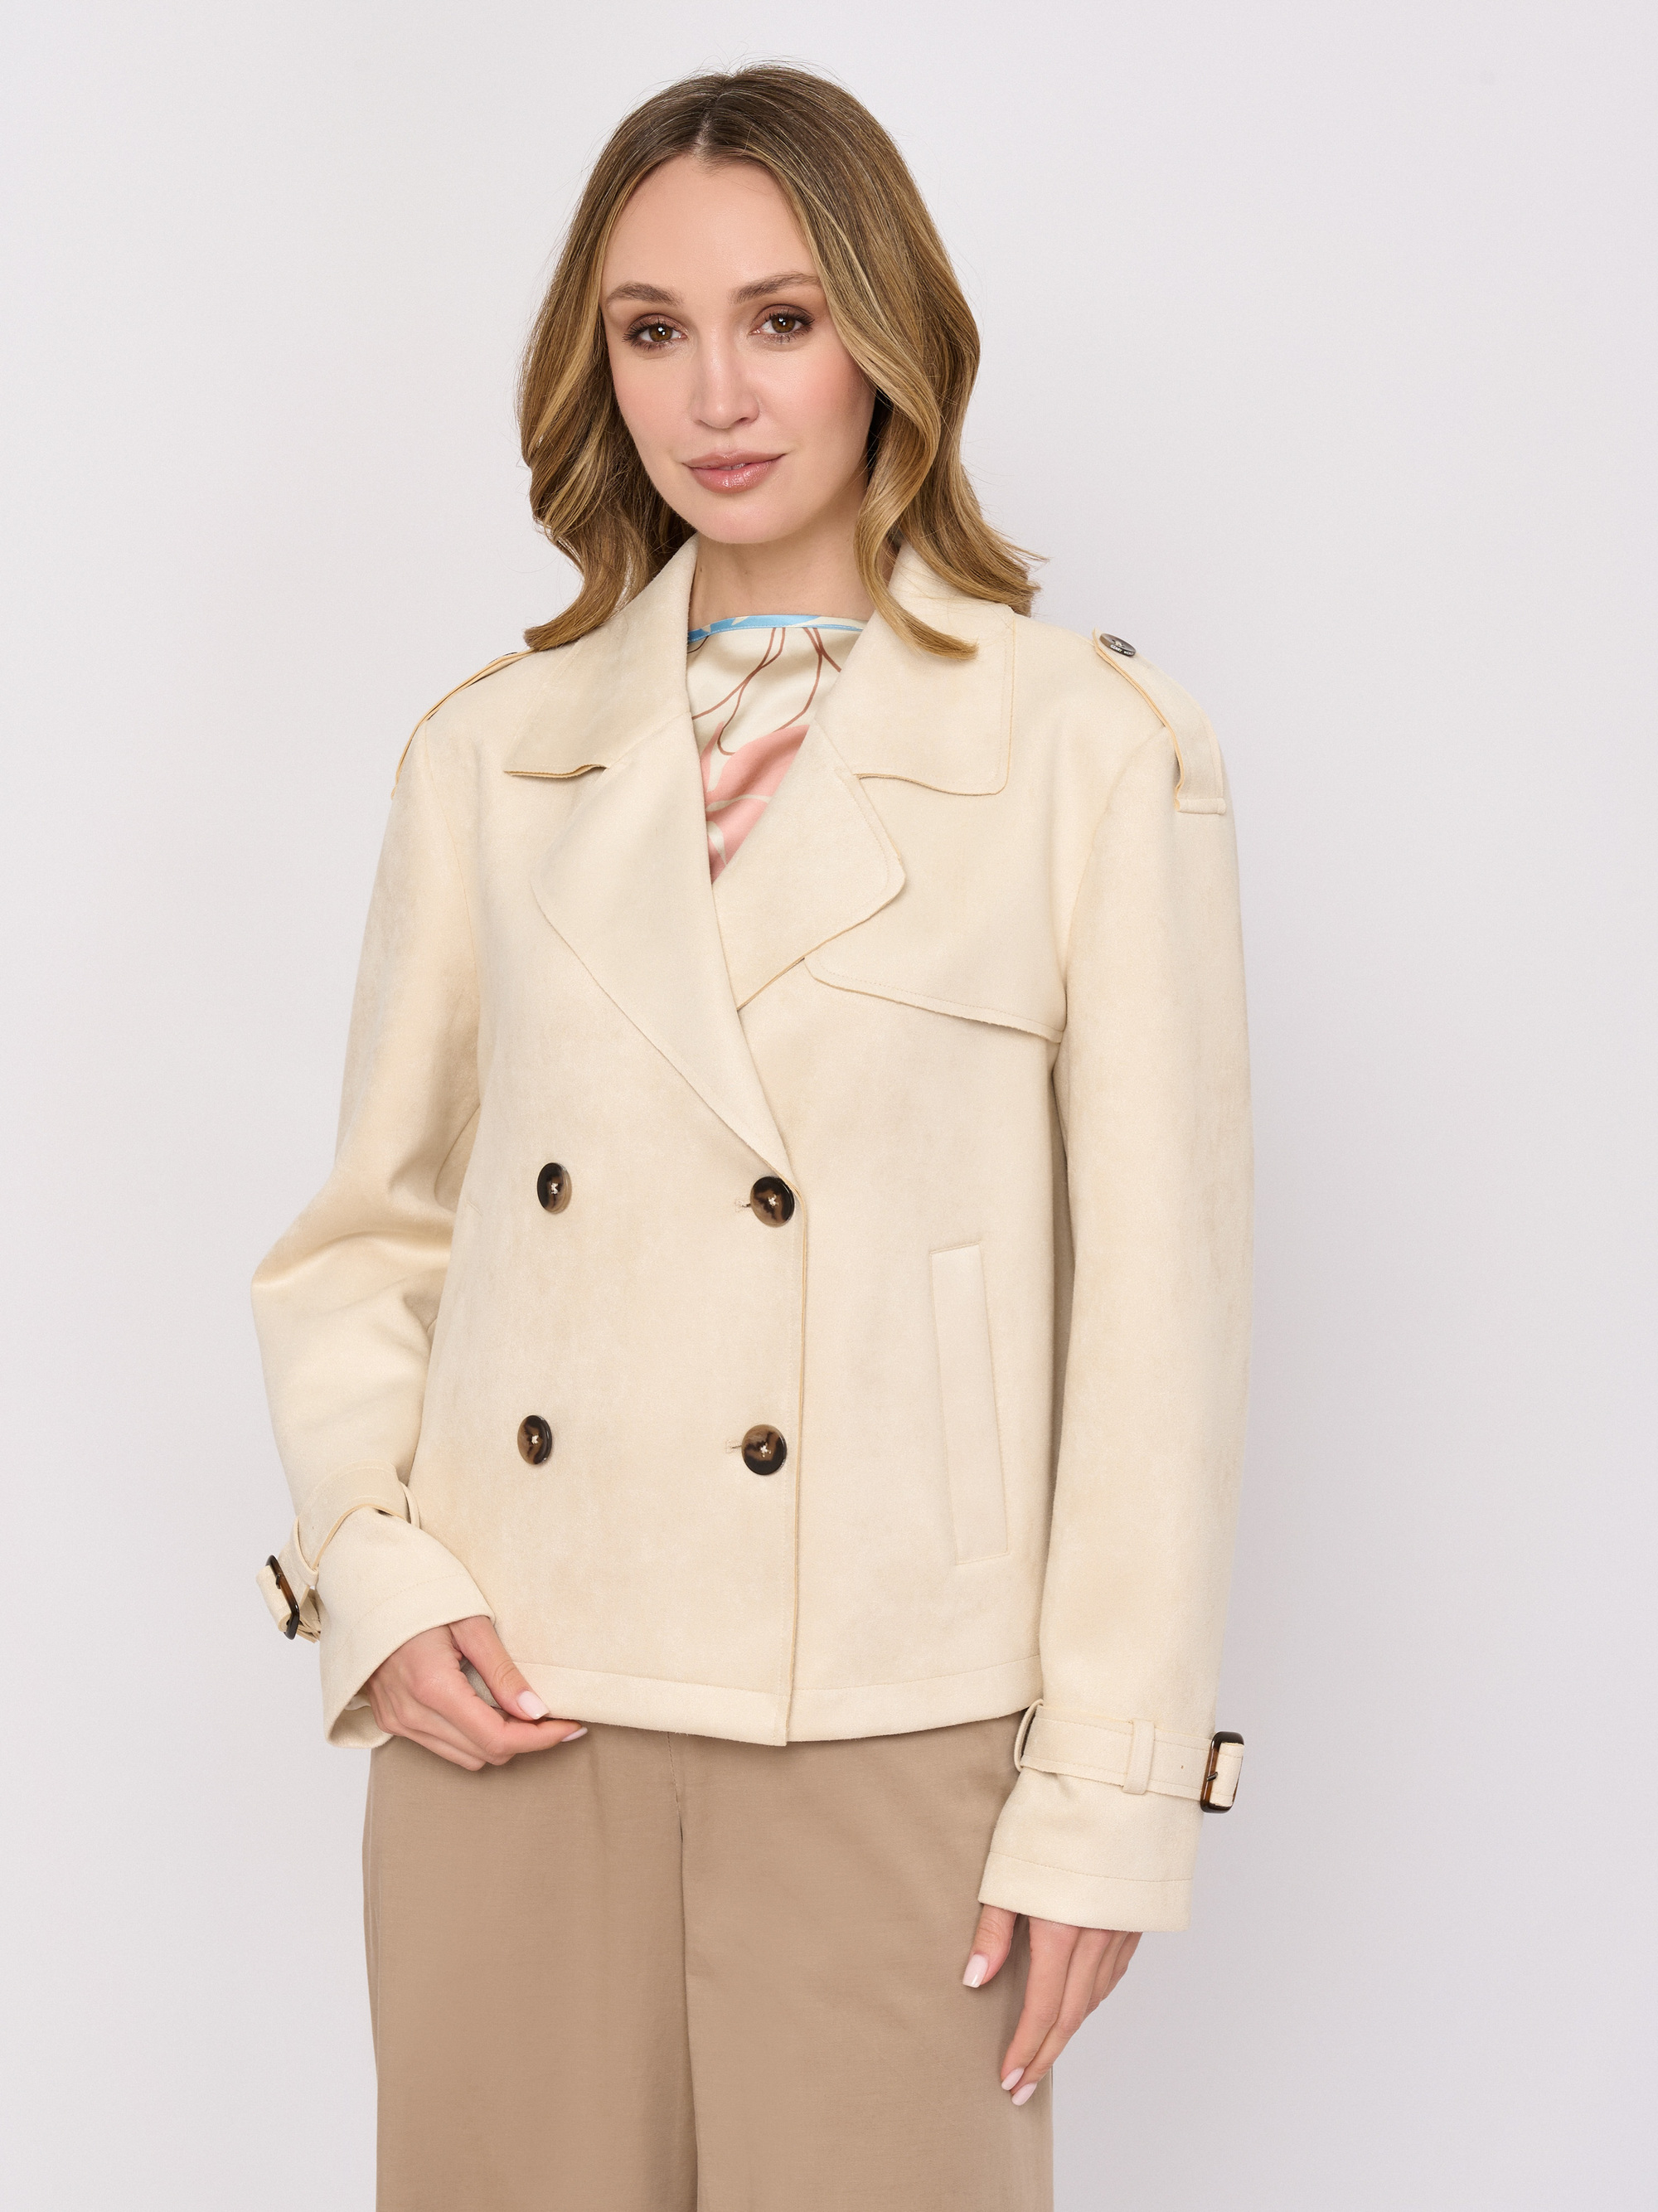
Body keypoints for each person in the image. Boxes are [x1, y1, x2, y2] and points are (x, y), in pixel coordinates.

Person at [252, 62, 1252, 2212]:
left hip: (894, 1741)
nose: (716, 393)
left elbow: (1157, 1330)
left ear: (887, 337)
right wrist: (376, 1579)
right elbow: (369, 1241)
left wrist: (1107, 1794)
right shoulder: (493, 756)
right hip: (514, 1716)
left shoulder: (1084, 750)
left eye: (782, 319)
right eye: (654, 329)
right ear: (595, 366)